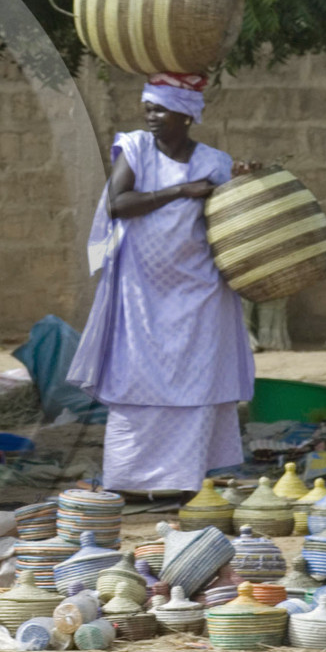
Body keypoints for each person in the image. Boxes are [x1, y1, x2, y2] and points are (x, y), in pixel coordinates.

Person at [66, 73, 254, 495]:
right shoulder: (134, 149)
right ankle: (129, 481)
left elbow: (234, 219)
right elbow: (118, 204)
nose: (150, 116)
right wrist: (181, 191)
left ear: (186, 116)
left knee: (198, 381)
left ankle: (185, 484)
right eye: (148, 107)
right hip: (141, 292)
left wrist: (244, 182)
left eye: (161, 109)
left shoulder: (216, 163)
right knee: (137, 380)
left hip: (201, 293)